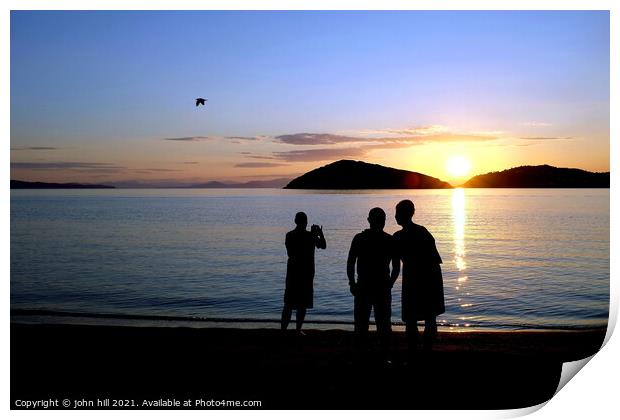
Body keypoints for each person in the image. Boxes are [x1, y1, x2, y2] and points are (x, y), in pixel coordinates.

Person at [393, 199, 445, 355]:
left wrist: (389, 283)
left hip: (416, 280)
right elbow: (435, 259)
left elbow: (395, 266)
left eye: (397, 213)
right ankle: (425, 350)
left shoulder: (399, 237)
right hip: (430, 278)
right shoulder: (423, 231)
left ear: (404, 214)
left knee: (412, 318)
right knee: (428, 317)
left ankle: (416, 350)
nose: (395, 216)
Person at [347, 207, 400, 358]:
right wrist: (390, 284)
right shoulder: (389, 240)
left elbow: (350, 263)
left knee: (361, 323)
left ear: (369, 220)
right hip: (380, 287)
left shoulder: (359, 238)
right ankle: (383, 355)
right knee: (383, 324)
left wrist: (352, 283)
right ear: (383, 221)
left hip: (364, 285)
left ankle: (361, 354)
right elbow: (396, 267)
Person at [281, 211, 326, 334]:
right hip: (305, 274)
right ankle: (297, 330)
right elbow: (323, 245)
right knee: (301, 305)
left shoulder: (290, 235)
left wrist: (315, 235)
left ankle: (284, 331)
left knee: (289, 304)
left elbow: (291, 253)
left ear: (295, 221)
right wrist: (319, 234)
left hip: (293, 274)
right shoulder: (309, 236)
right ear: (306, 222)